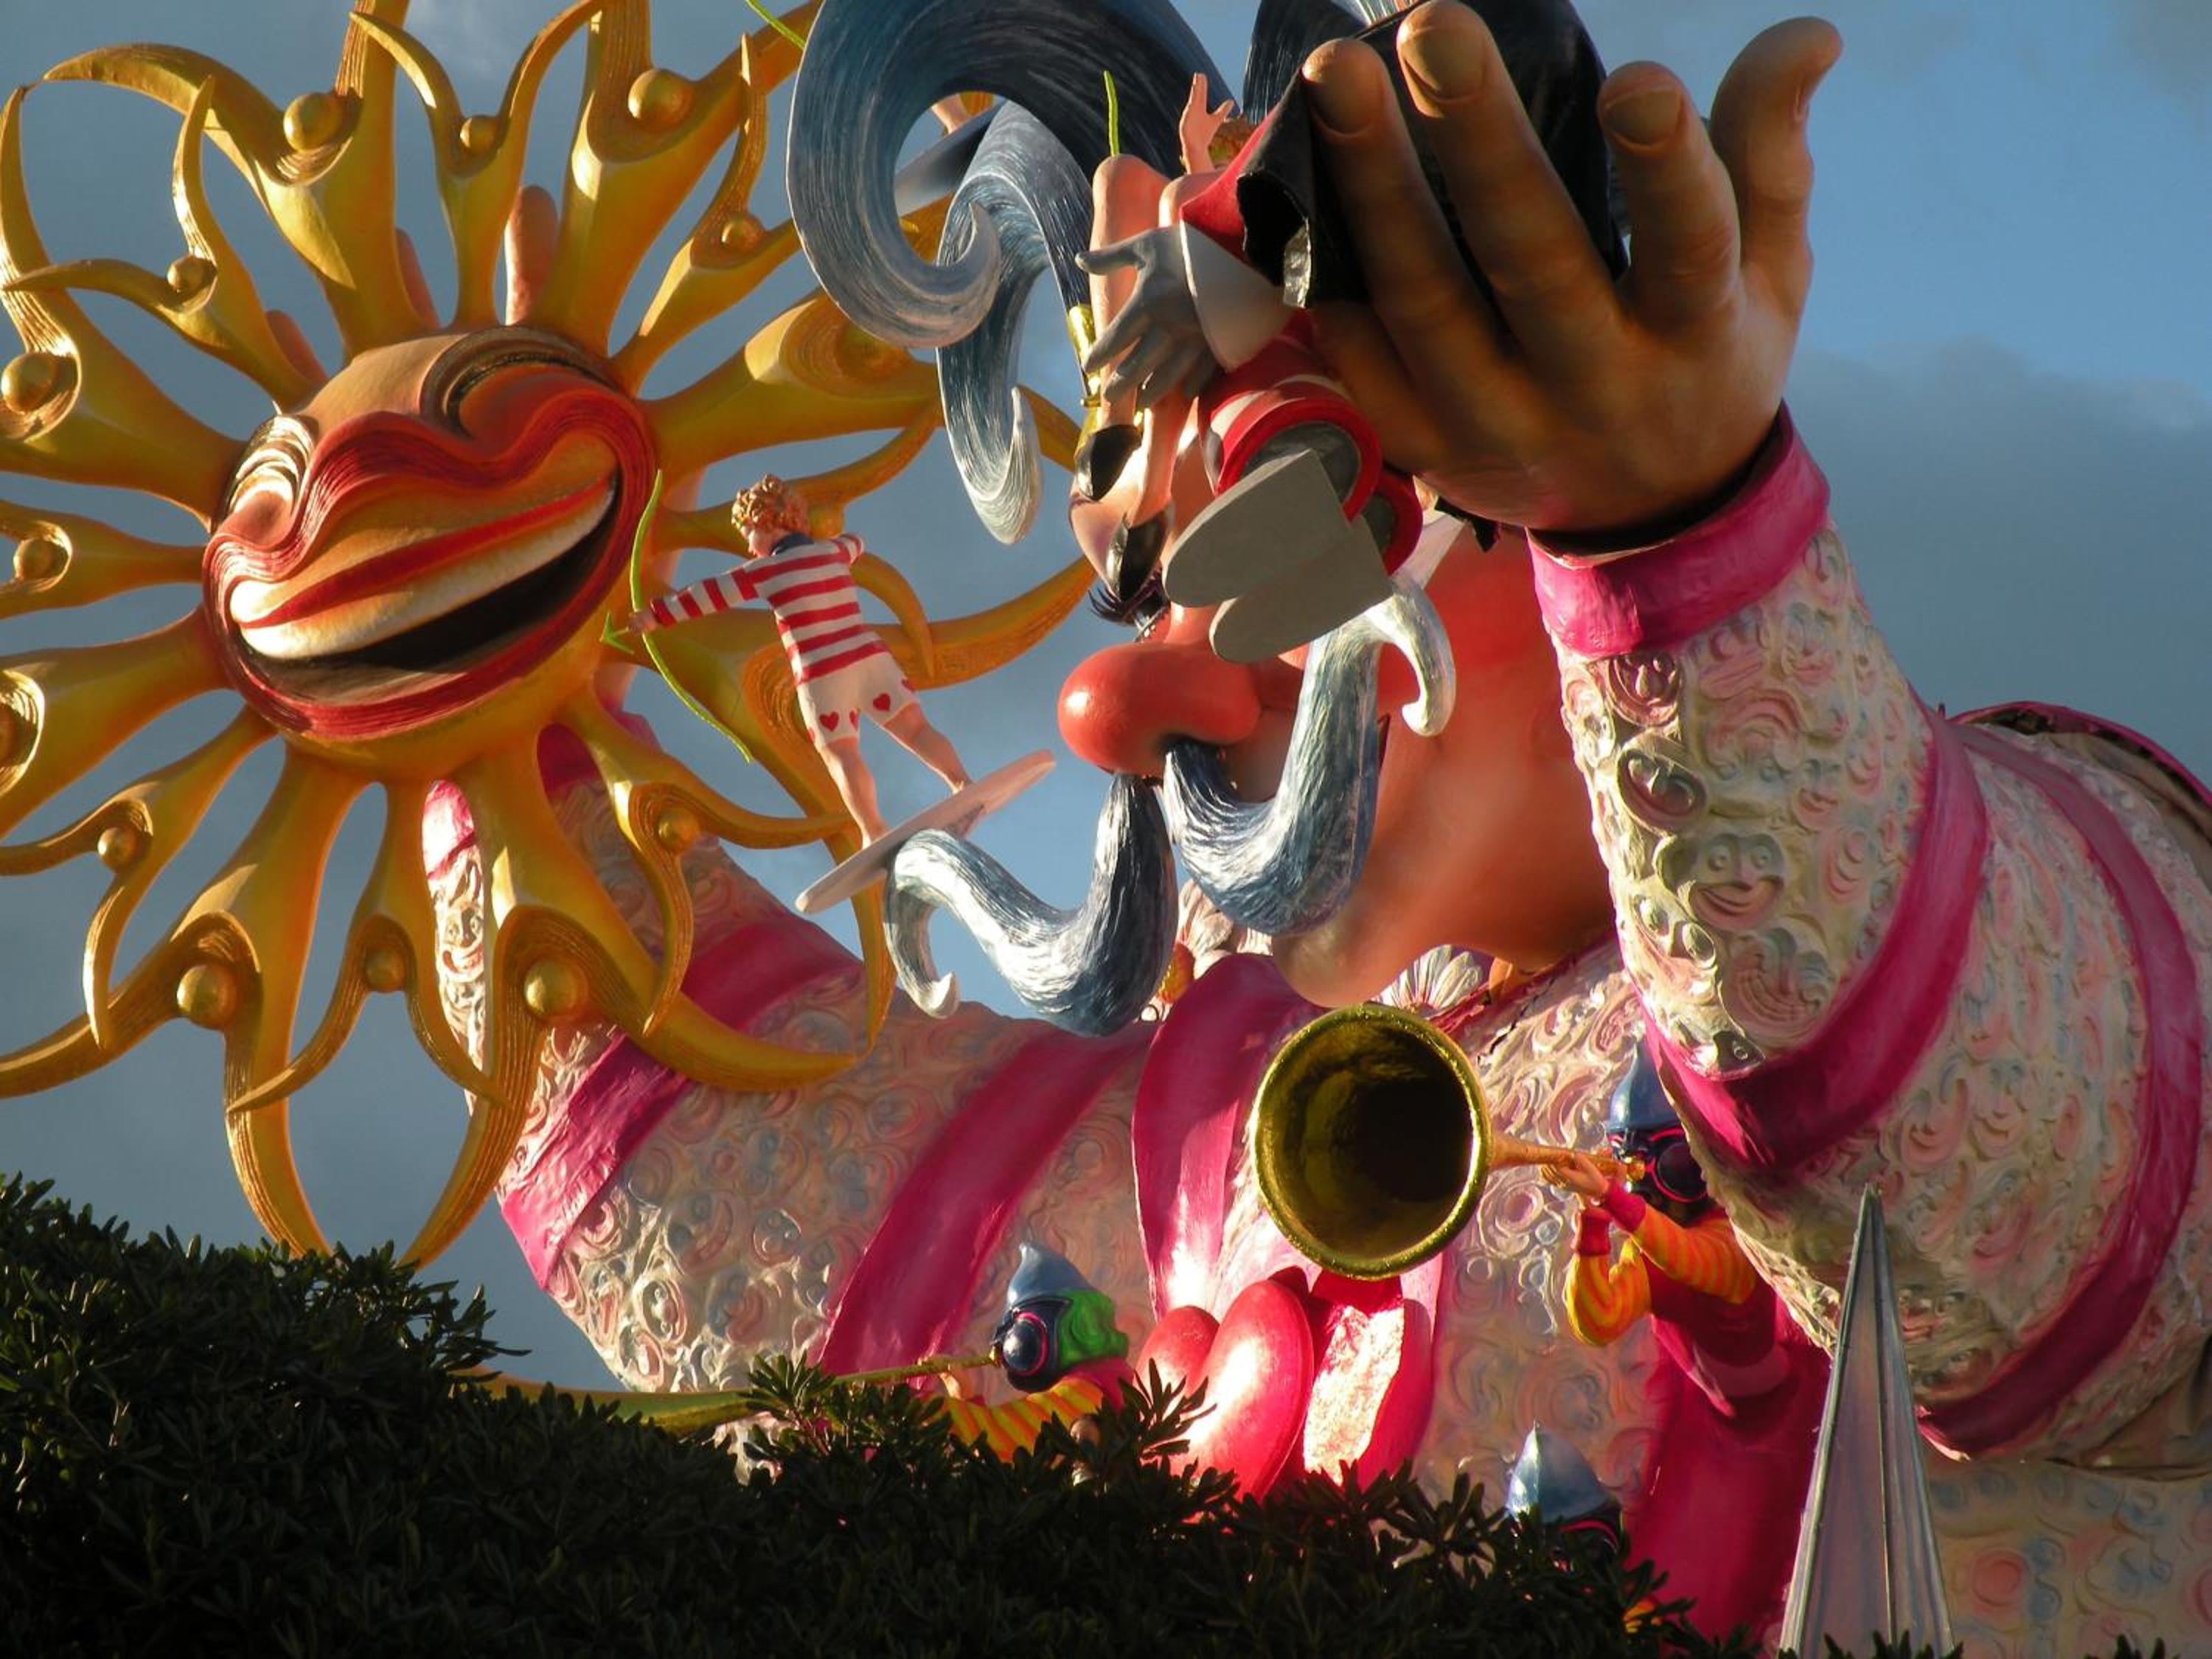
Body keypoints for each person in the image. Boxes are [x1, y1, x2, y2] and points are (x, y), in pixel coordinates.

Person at [442, 2, 2212, 1645]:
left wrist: (1685, 545)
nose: (1117, 708)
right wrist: (480, 715)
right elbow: (792, 1212)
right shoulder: (1224, 1117)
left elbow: (1968, 1185)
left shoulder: (2019, 917)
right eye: (1145, 582)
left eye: (1291, 532)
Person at [1553, 1046, 1826, 1635]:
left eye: (1672, 1162)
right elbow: (1597, 1320)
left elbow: (1694, 1262)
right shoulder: (1648, 1248)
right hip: (1713, 1429)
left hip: (1790, 1415)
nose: (1652, 1182)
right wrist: (1592, 1226)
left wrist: (1614, 1201)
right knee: (1681, 1594)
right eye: (1635, 1164)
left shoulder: (1731, 1237)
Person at [623, 474, 970, 841]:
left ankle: (873, 829)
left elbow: (707, 594)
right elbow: (857, 542)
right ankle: (961, 782)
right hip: (870, 655)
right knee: (915, 728)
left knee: (840, 753)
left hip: (823, 673)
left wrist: (655, 616)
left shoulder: (764, 572)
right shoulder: (835, 551)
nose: (749, 547)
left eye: (748, 533)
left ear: (766, 523)